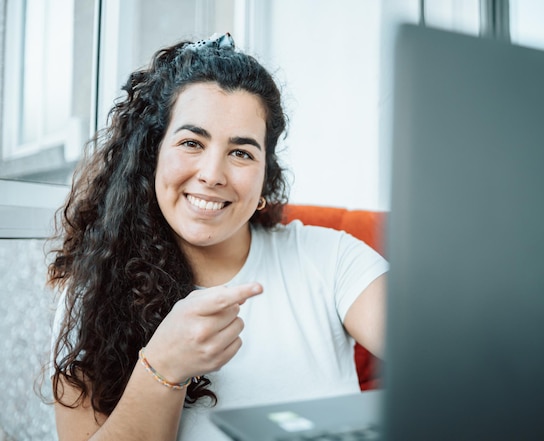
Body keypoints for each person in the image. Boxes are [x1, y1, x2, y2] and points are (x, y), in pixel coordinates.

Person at [47, 33, 387, 441]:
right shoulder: (93, 290)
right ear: (152, 157)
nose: (212, 174)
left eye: (241, 152)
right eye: (192, 142)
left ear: (266, 176)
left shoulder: (332, 259)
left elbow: (439, 353)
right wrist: (162, 368)